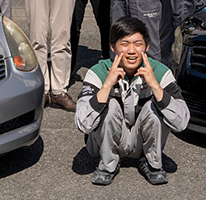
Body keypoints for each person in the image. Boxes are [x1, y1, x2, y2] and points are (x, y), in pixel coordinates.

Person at [75, 16, 190, 186]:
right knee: (110, 104)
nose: (131, 51)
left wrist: (155, 86)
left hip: (141, 142)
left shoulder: (160, 72)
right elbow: (82, 124)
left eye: (138, 44)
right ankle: (107, 165)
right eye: (124, 44)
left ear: (147, 46)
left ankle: (152, 163)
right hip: (102, 145)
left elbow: (181, 123)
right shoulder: (97, 72)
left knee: (154, 105)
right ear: (113, 47)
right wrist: (106, 86)